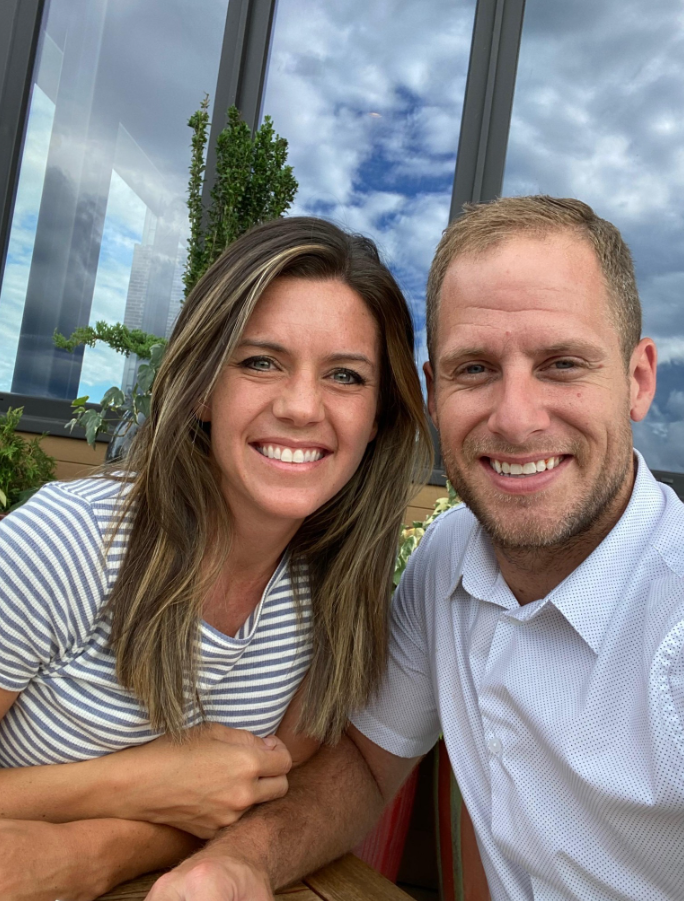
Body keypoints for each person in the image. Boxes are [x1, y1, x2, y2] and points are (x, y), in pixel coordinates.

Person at [146, 196, 684, 901]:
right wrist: (239, 865)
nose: (516, 418)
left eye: (560, 364)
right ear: (432, 393)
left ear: (638, 380)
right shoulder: (451, 552)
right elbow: (367, 763)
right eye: (475, 369)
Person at [0, 216, 432, 900]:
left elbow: (248, 801)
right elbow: (198, 801)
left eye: (345, 375)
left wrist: (90, 853)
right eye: (261, 361)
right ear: (204, 388)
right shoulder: (65, 544)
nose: (300, 406)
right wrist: (146, 780)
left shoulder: (331, 601)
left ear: (378, 419)